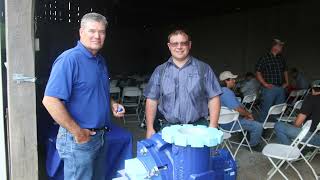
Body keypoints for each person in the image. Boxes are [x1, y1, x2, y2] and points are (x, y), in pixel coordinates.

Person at [42, 12, 125, 180]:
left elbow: (96, 91)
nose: (97, 36)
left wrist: (111, 104)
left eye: (101, 32)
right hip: (78, 140)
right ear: (81, 32)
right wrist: (77, 132)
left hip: (100, 137)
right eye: (92, 31)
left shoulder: (100, 60)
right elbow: (50, 100)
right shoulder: (69, 60)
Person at [144, 29, 222, 138]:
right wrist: (150, 128)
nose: (179, 47)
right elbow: (152, 100)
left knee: (198, 156)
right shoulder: (160, 71)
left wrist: (213, 126)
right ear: (169, 46)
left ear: (189, 45)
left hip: (198, 128)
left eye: (183, 43)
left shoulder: (203, 69)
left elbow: (214, 97)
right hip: (169, 128)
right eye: (175, 44)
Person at [219, 71, 263, 149]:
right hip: (230, 123)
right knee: (258, 126)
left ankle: (244, 137)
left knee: (251, 118)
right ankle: (253, 146)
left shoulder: (222, 91)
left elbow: (238, 107)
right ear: (226, 80)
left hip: (230, 120)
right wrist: (248, 114)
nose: (234, 81)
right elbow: (237, 108)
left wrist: (245, 114)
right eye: (232, 79)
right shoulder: (226, 92)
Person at [274, 80, 320, 146]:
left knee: (279, 126)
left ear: (312, 89)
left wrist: (294, 127)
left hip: (314, 136)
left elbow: (298, 123)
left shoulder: (311, 98)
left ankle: (290, 150)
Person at [255, 39, 289, 122]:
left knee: (279, 109)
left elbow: (285, 70)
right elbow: (258, 72)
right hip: (269, 88)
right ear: (275, 46)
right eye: (280, 46)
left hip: (280, 88)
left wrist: (287, 82)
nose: (282, 48)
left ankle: (275, 128)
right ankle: (260, 128)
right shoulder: (264, 57)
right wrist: (264, 84)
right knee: (265, 109)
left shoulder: (281, 58)